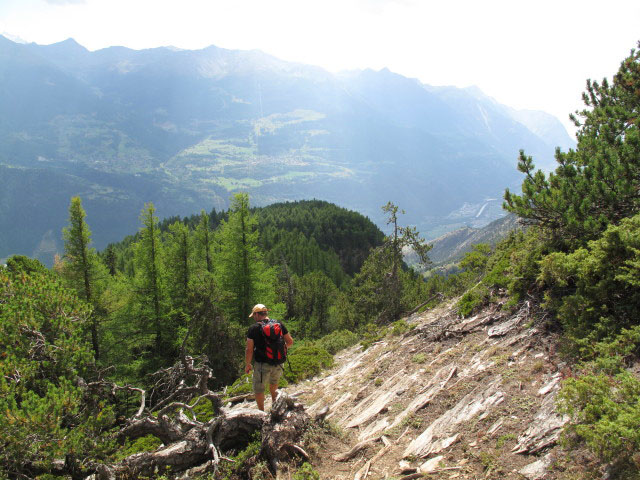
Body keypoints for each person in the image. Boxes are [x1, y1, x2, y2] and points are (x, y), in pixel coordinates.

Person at [245, 304, 294, 411]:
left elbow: (249, 350)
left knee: (259, 390)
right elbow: (290, 342)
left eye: (254, 315)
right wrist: (280, 350)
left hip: (262, 364)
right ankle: (275, 408)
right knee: (274, 384)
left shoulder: (253, 328)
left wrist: (248, 364)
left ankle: (261, 413)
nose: (253, 317)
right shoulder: (279, 324)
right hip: (278, 362)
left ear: (257, 314)